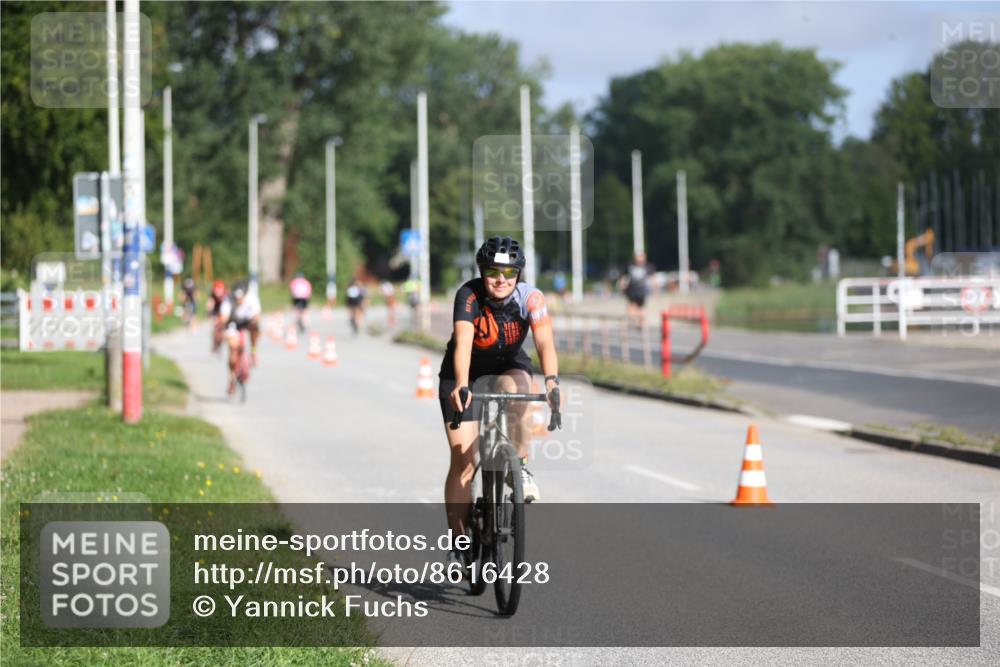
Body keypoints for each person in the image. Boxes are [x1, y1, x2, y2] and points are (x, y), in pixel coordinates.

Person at [439, 236, 560, 540]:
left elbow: (545, 342)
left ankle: (518, 466)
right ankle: (459, 540)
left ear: (519, 274)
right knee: (464, 461)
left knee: (520, 391)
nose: (501, 280)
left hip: (508, 364)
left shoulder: (531, 298)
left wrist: (552, 381)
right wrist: (463, 385)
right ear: (482, 272)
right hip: (463, 373)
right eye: (493, 272)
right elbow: (463, 342)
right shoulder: (469, 296)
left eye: (509, 273)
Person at [219, 281, 261, 393]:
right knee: (233, 348)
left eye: (241, 297)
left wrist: (254, 321)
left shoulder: (251, 299)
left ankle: (254, 351)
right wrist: (223, 326)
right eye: (236, 297)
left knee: (255, 328)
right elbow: (224, 317)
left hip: (247, 322)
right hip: (232, 324)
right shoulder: (228, 300)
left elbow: (257, 315)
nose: (238, 300)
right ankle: (232, 379)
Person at [620, 251, 650, 328]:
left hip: (641, 291)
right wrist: (623, 286)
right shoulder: (630, 266)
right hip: (632, 290)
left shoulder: (647, 266)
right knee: (631, 307)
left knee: (641, 308)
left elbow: (652, 278)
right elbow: (623, 277)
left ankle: (641, 323)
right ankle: (631, 321)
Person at [208, 280, 228, 353]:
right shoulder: (212, 295)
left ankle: (221, 339)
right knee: (214, 327)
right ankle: (214, 343)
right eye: (216, 290)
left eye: (219, 290)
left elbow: (226, 310)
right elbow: (209, 305)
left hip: (224, 311)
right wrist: (209, 313)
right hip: (216, 311)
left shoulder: (226, 296)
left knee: (223, 328)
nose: (217, 292)